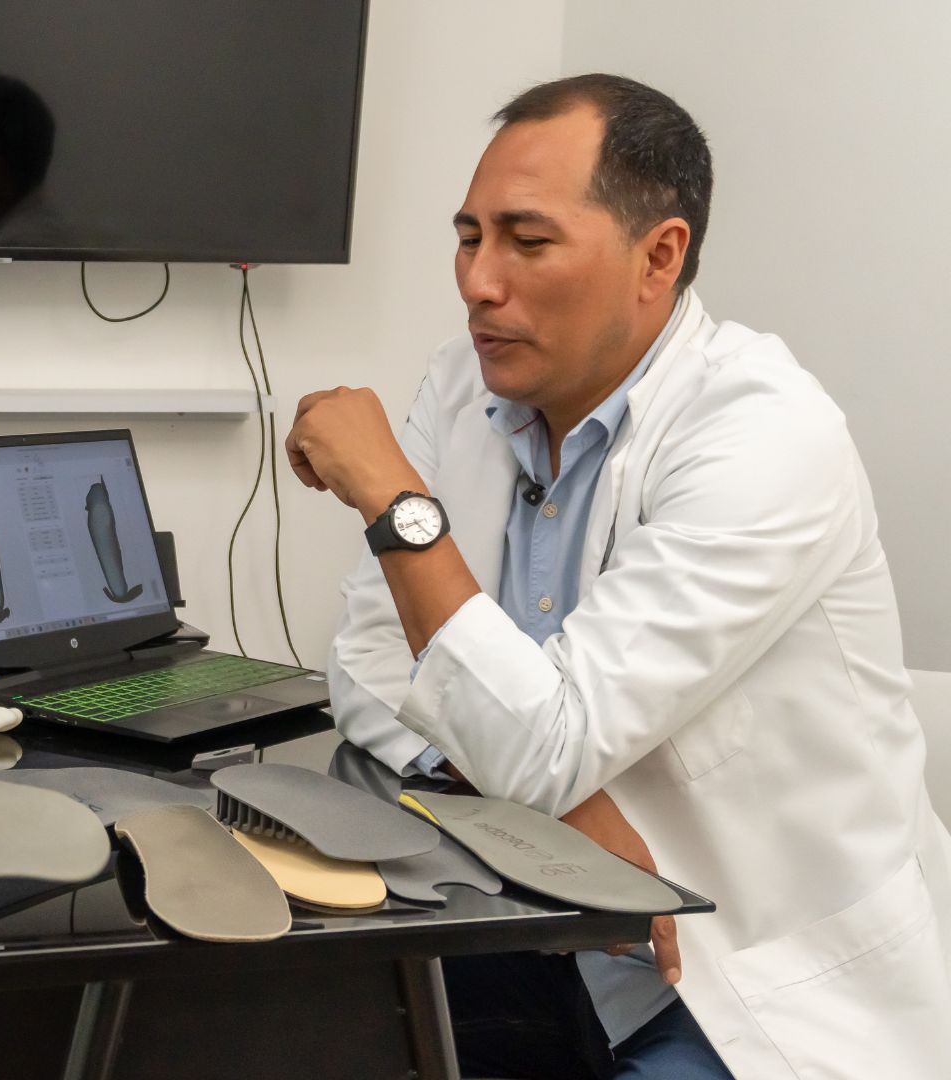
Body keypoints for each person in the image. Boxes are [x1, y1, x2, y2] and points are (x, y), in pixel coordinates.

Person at [291, 75, 951, 1078]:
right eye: (469, 237)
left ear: (659, 256)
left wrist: (391, 497)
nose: (478, 282)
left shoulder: (766, 437)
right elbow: (369, 662)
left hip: (730, 981)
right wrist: (544, 806)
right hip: (527, 916)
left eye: (528, 240)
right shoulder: (464, 384)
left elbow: (543, 742)